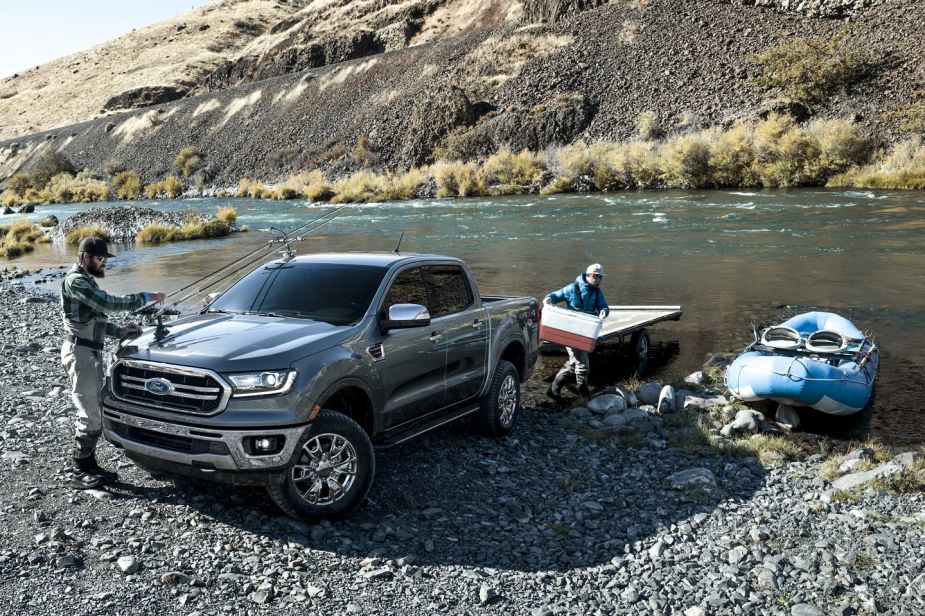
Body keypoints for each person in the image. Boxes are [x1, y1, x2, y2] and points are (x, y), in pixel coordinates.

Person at [61, 237, 166, 489]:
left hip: (90, 353)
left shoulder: (86, 281)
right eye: (100, 258)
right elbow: (106, 302)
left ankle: (89, 465)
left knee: (97, 408)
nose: (104, 262)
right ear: (85, 257)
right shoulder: (76, 281)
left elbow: (96, 321)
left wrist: (120, 331)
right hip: (80, 354)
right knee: (91, 414)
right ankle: (79, 470)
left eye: (105, 258)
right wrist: (145, 296)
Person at [543, 263, 610, 403]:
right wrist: (548, 299)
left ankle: (553, 390)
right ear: (588, 275)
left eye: (600, 277)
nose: (598, 280)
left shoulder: (597, 292)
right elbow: (555, 295)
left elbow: (603, 306)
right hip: (571, 331)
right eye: (596, 276)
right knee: (582, 364)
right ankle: (584, 394)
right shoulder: (572, 288)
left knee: (574, 363)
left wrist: (604, 311)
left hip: (586, 332)